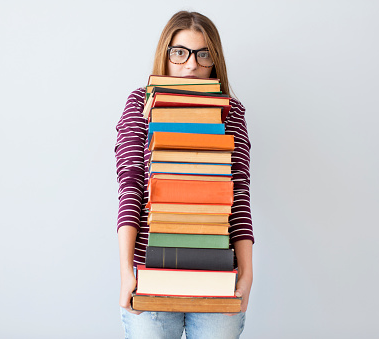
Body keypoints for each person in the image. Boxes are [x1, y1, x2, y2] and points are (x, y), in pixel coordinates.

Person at [115, 10, 254, 339]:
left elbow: (239, 193)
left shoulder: (229, 111)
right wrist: (126, 273)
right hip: (151, 271)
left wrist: (247, 273)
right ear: (165, 55)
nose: (191, 65)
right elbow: (130, 185)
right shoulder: (140, 104)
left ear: (214, 61)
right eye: (180, 52)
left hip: (218, 271)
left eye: (203, 54)